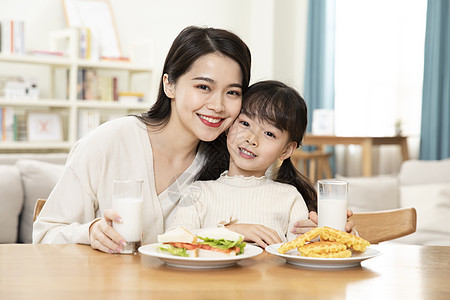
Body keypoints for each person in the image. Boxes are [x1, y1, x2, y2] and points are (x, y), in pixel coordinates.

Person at [33, 25, 252, 254]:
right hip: (110, 288)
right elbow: (43, 235)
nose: (217, 105)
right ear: (169, 85)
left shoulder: (232, 163)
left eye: (232, 92)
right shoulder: (108, 142)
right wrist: (89, 233)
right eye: (203, 87)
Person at [168, 80, 325, 247]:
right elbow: (174, 238)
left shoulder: (289, 197)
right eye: (245, 123)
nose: (251, 139)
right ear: (229, 125)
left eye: (269, 134)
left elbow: (302, 253)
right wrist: (231, 232)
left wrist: (328, 234)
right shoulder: (199, 192)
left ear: (286, 150)